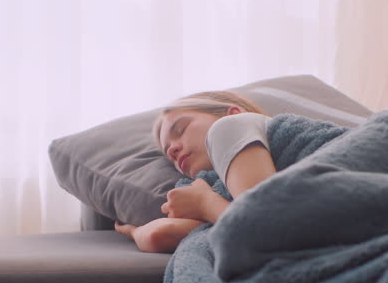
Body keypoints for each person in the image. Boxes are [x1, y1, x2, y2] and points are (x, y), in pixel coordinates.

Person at [115, 91, 279, 253]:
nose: (172, 149)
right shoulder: (208, 188)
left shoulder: (232, 125)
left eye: (181, 129)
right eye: (169, 155)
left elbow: (266, 229)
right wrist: (134, 231)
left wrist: (206, 204)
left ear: (233, 114)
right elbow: (159, 235)